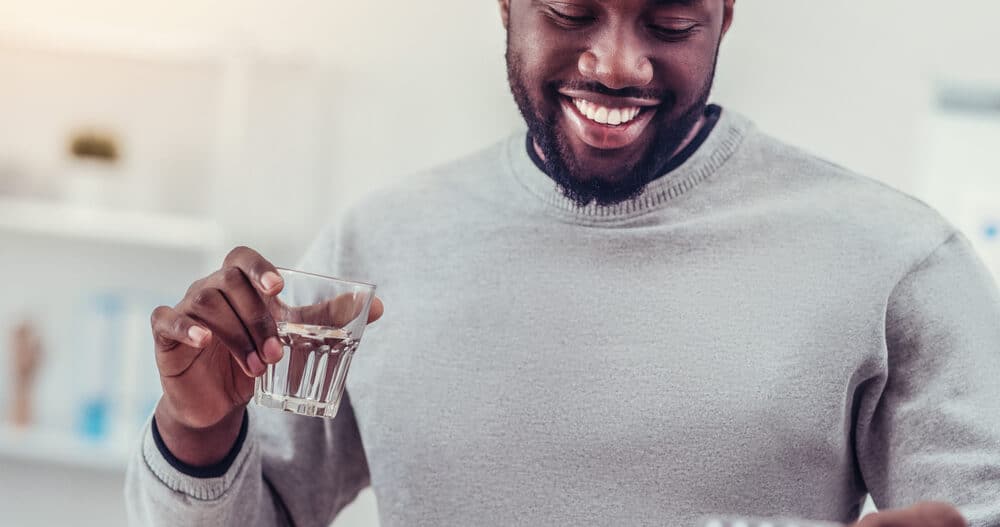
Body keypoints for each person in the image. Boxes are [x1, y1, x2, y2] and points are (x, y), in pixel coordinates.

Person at [125, 1, 998, 526]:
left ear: (728, 9)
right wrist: (199, 431)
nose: (616, 63)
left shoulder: (895, 261)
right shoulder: (377, 246)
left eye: (669, 22)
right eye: (572, 12)